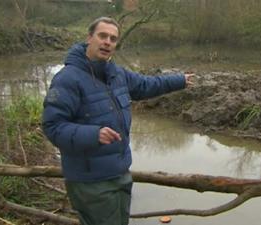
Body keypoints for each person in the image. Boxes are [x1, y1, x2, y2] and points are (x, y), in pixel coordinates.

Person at [42, 17, 193, 225]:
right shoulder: (68, 79)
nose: (107, 42)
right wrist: (94, 134)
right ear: (89, 38)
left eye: (113, 39)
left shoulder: (116, 74)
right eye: (102, 36)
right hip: (91, 181)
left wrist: (180, 80)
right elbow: (53, 127)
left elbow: (146, 85)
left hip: (120, 173)